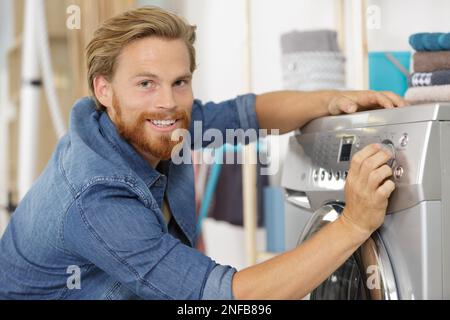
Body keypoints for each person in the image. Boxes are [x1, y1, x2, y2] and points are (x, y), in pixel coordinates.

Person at [0, 6, 406, 300]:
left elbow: (247, 114)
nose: (167, 102)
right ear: (102, 89)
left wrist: (332, 101)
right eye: (145, 83)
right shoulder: (98, 197)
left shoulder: (150, 125)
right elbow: (222, 298)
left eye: (180, 82)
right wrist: (354, 223)